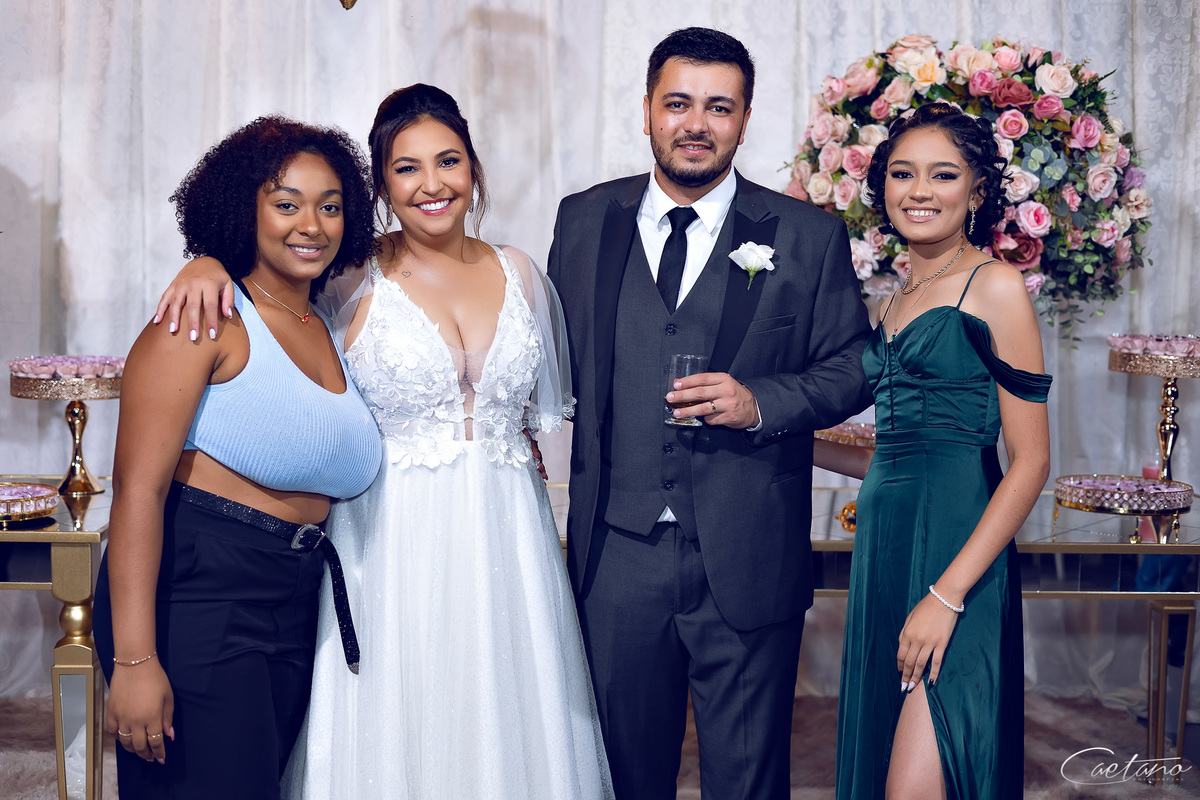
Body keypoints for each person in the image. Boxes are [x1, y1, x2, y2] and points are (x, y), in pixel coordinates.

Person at [152, 84, 613, 799]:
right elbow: (266, 284)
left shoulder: (522, 273)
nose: (433, 184)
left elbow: (535, 422)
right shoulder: (347, 275)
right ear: (380, 186)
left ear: (473, 167)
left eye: (448, 161)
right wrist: (206, 260)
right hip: (391, 541)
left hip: (507, 541)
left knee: (510, 720)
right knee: (397, 724)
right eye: (406, 168)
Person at [547, 27, 874, 798]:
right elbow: (544, 350)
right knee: (623, 777)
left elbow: (855, 366)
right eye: (678, 103)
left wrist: (763, 402)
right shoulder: (583, 219)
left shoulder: (807, 235)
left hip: (748, 554)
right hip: (617, 556)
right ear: (647, 110)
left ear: (745, 118)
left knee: (748, 780)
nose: (696, 124)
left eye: (719, 107)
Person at [93, 116, 383, 799]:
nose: (311, 225)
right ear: (242, 209)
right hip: (201, 590)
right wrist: (134, 661)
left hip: (296, 594)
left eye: (330, 206)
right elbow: (137, 491)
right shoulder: (203, 318)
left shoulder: (329, 321)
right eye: (286, 204)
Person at [819, 103, 1052, 799]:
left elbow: (1031, 461)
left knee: (927, 767)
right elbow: (895, 454)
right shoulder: (892, 299)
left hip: (959, 558)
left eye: (943, 175)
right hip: (884, 549)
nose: (919, 191)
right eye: (903, 174)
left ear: (976, 191)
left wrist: (947, 597)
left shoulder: (996, 286)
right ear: (882, 187)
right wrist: (778, 436)